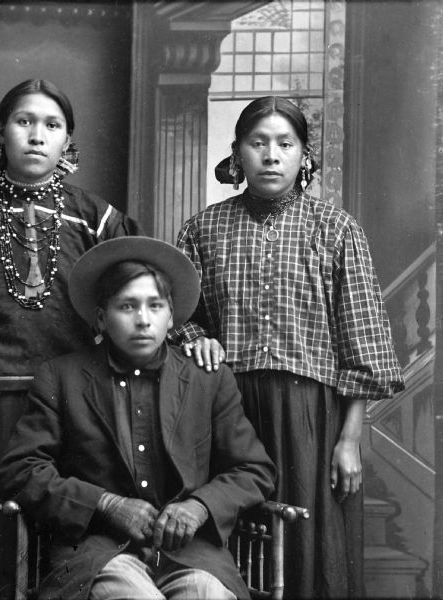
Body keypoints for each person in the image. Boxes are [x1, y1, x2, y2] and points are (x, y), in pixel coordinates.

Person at [171, 96, 405, 599]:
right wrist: (200, 339)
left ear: (305, 157)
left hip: (310, 420)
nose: (271, 155)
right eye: (258, 143)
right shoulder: (202, 229)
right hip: (226, 414)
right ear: (237, 154)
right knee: (234, 548)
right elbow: (177, 317)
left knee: (307, 550)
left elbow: (361, 340)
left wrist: (348, 439)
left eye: (285, 144)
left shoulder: (337, 230)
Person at [0, 236, 276, 600]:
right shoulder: (62, 377)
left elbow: (253, 469)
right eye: (127, 307)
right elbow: (22, 468)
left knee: (205, 594)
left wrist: (199, 506)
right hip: (98, 552)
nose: (143, 320)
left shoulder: (207, 378)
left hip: (192, 552)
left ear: (171, 315)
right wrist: (106, 504)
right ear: (101, 317)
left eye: (154, 306)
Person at [0, 79, 142, 599]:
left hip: (81, 405)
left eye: (51, 125)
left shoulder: (97, 217)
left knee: (78, 544)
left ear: (67, 144)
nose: (37, 135)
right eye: (24, 122)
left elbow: (135, 303)